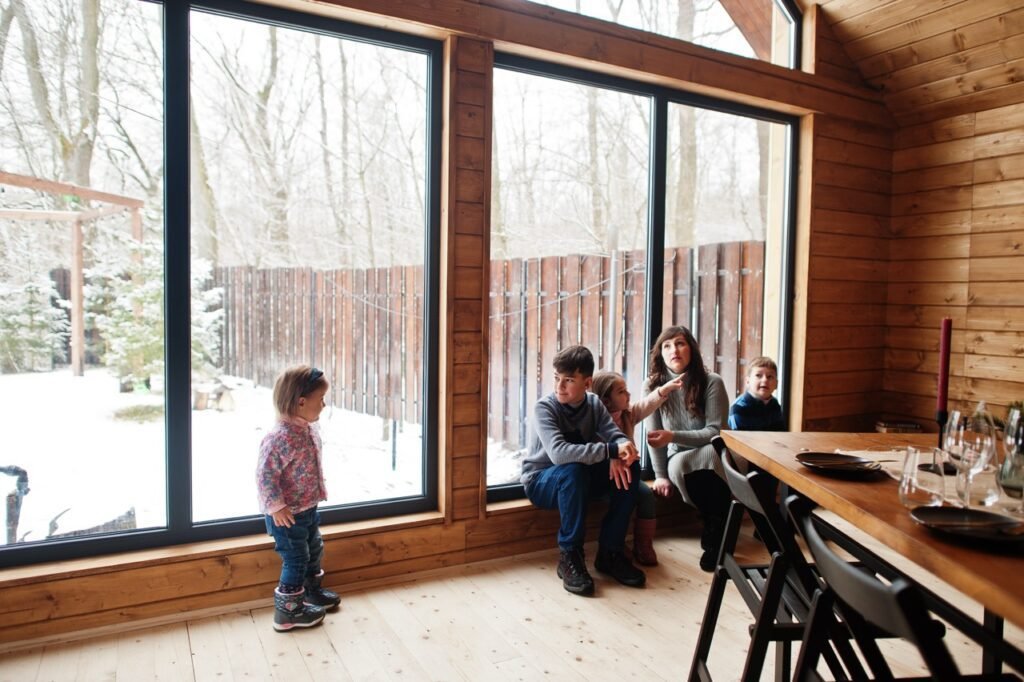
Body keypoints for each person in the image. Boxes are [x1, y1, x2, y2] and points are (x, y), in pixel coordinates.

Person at [521, 345, 647, 596]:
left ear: (587, 382)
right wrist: (610, 451)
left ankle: (610, 552)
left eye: (568, 380)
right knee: (572, 470)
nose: (559, 386)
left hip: (579, 477)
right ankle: (570, 555)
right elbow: (559, 454)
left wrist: (621, 452)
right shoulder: (545, 408)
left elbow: (616, 437)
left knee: (630, 467)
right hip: (542, 480)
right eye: (557, 378)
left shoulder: (594, 404)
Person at [256, 365, 341, 631]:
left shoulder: (307, 428)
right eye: (321, 399)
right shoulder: (279, 438)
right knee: (295, 559)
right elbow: (264, 476)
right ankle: (288, 612)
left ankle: (309, 593)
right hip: (287, 516)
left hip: (307, 508)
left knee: (314, 550)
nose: (324, 405)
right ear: (301, 402)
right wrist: (276, 507)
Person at [643, 326, 731, 573]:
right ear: (660, 354)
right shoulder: (652, 387)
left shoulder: (712, 382)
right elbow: (654, 437)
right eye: (667, 346)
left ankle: (715, 533)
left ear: (691, 348)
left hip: (715, 451)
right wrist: (660, 476)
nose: (674, 350)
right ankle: (717, 525)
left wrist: (673, 435)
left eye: (680, 343)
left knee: (711, 455)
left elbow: (715, 433)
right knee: (682, 464)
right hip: (677, 457)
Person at [591, 370, 682, 566]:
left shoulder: (627, 414)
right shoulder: (594, 421)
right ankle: (616, 543)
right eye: (622, 391)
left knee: (646, 496)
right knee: (622, 499)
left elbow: (646, 405)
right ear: (606, 400)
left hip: (628, 477)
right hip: (604, 478)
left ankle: (643, 544)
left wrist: (664, 390)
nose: (629, 395)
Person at [729, 356, 785, 431]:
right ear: (747, 381)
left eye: (770, 377)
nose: (765, 380)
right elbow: (740, 440)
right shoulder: (739, 407)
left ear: (776, 384)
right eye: (758, 375)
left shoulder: (775, 404)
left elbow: (780, 434)